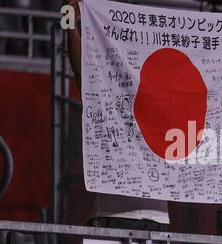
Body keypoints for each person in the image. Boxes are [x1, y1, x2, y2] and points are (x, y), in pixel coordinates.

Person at [63, 0, 169, 231]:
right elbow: (80, 67)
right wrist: (68, 20)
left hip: (157, 218)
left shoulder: (167, 107)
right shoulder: (109, 100)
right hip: (111, 213)